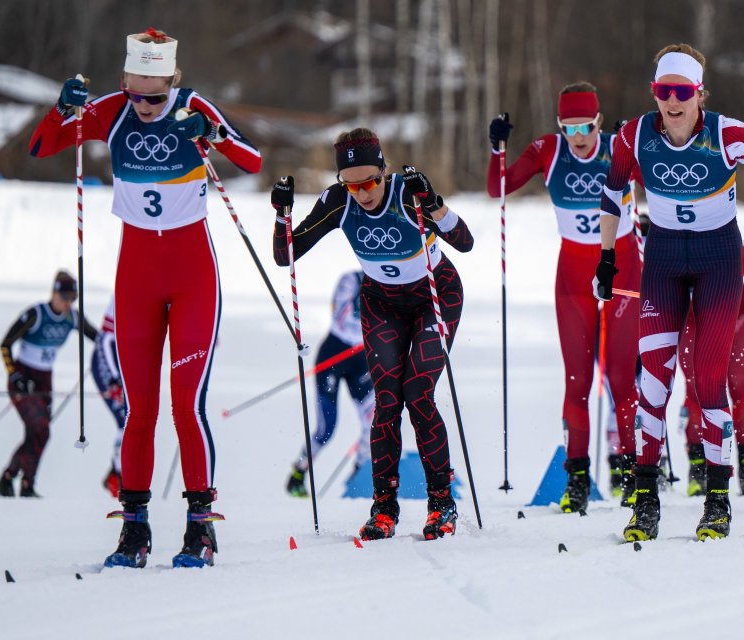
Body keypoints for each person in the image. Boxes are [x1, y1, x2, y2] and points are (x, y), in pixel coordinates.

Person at [29, 28, 262, 568]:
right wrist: (60, 110)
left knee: (185, 404)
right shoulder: (112, 112)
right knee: (140, 410)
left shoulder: (193, 106)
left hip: (192, 279)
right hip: (135, 280)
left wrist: (214, 134)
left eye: (156, 96)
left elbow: (251, 161)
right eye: (136, 94)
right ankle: (134, 531)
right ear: (124, 82)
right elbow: (43, 146)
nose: (146, 106)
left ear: (174, 83)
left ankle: (200, 527)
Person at [594, 44, 744, 542]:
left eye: (683, 91)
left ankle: (718, 500)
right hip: (661, 262)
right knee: (654, 385)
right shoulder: (634, 135)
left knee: (709, 381)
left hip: (717, 263)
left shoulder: (728, 134)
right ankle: (645, 503)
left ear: (699, 93)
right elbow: (611, 191)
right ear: (654, 93)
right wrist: (606, 257)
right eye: (664, 92)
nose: (673, 101)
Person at [272, 128, 474, 541]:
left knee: (417, 394)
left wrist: (433, 204)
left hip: (435, 294)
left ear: (384, 171)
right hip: (381, 303)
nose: (362, 193)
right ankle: (384, 508)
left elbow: (465, 242)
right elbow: (285, 254)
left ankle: (441, 504)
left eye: (370, 181)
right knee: (386, 402)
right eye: (352, 183)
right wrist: (281, 215)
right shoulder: (338, 202)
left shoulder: (406, 193)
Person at [485, 83, 641, 512]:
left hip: (624, 270)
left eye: (585, 126)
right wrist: (498, 148)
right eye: (568, 127)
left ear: (598, 121)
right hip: (573, 275)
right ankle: (576, 479)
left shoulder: (617, 147)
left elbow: (658, 183)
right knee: (577, 381)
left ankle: (632, 474)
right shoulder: (547, 150)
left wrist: (642, 147)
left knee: (623, 381)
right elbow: (498, 188)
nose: (578, 137)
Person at [679, 245, 744, 498]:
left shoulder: (729, 247)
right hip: (696, 318)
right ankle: (699, 467)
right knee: (697, 389)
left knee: (736, 385)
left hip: (734, 315)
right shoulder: (680, 244)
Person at [0, 270, 98, 498]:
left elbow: (99, 339)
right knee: (40, 429)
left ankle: (14, 481)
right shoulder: (36, 314)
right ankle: (20, 482)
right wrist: (14, 375)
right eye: (64, 298)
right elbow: (5, 344)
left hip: (45, 380)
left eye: (73, 299)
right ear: (53, 293)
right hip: (24, 378)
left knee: (39, 433)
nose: (67, 303)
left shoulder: (73, 317)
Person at [284, 271, 375, 497]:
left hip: (361, 359)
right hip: (334, 355)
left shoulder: (390, 285)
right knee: (326, 429)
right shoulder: (351, 280)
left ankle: (360, 477)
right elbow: (341, 318)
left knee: (373, 421)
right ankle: (298, 473)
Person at [89, 296, 127, 498]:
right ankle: (119, 477)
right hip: (108, 362)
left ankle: (116, 474)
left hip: (123, 363)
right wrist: (113, 378)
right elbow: (105, 341)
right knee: (126, 420)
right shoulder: (125, 290)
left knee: (133, 419)